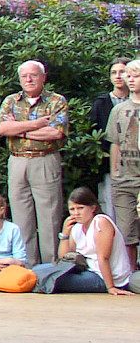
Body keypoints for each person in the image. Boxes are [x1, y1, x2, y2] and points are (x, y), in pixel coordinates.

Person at [0, 60, 69, 265]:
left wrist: (19, 129)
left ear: (43, 77)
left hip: (44, 161)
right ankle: (27, 266)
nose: (28, 79)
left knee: (49, 217)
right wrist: (36, 124)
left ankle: (52, 266)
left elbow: (55, 132)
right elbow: (2, 129)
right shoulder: (11, 101)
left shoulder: (56, 101)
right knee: (21, 218)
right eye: (24, 76)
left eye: (33, 75)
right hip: (17, 162)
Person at [31, 187, 140, 294]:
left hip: (104, 276)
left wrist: (111, 287)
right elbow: (64, 258)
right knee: (38, 269)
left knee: (53, 280)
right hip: (87, 270)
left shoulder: (100, 222)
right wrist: (65, 235)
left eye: (80, 208)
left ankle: (32, 284)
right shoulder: (77, 227)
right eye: (72, 209)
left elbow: (103, 257)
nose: (76, 213)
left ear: (93, 208)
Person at [104, 59, 140, 269]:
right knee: (127, 231)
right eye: (129, 76)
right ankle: (130, 274)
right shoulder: (119, 110)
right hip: (124, 179)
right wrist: (115, 172)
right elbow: (114, 143)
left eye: (136, 76)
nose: (131, 80)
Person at [94, 57, 130, 217]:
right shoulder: (102, 102)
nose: (117, 76)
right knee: (111, 208)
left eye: (121, 72)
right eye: (113, 72)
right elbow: (96, 133)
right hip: (110, 164)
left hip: (134, 164)